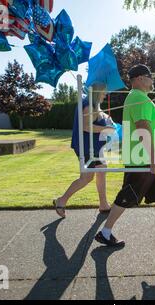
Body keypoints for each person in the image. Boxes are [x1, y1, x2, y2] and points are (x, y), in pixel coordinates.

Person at [94, 64, 155, 247]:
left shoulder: (141, 98)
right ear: (140, 78)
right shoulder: (137, 97)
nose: (153, 80)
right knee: (128, 195)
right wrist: (154, 158)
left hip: (148, 158)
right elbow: (142, 127)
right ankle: (105, 232)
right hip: (143, 158)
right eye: (150, 76)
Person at [53, 83, 116, 217]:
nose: (105, 95)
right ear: (97, 92)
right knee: (86, 178)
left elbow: (96, 116)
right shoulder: (89, 105)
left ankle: (103, 204)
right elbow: (86, 126)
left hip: (94, 147)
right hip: (87, 147)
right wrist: (107, 129)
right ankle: (61, 200)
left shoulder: (92, 105)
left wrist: (105, 118)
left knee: (102, 169)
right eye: (104, 92)